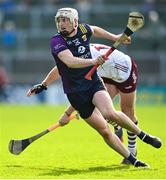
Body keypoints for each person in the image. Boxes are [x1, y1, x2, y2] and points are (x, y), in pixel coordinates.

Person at [27, 8, 162, 167]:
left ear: (75, 22)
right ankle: (134, 160)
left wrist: (114, 37)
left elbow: (95, 29)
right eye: (59, 21)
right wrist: (45, 86)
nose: (62, 24)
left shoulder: (83, 29)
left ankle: (144, 136)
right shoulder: (57, 41)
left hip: (95, 82)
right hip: (75, 92)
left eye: (66, 20)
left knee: (109, 113)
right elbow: (68, 62)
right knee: (104, 131)